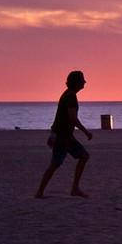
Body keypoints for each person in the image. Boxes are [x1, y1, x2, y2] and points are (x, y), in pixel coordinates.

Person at [35, 70, 93, 198]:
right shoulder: (70, 96)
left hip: (63, 135)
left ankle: (74, 188)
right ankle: (40, 192)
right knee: (56, 163)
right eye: (82, 80)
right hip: (62, 137)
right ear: (77, 82)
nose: (84, 82)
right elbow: (72, 118)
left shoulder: (68, 94)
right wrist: (86, 131)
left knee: (81, 157)